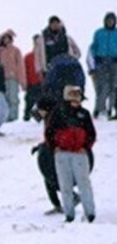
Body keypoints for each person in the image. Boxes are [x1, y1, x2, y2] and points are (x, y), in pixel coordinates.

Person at [45, 85, 97, 223]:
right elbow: (49, 132)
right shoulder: (58, 113)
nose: (76, 97)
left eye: (78, 94)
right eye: (73, 94)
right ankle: (69, 214)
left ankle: (90, 213)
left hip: (80, 154)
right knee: (65, 185)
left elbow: (91, 133)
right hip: (62, 154)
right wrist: (55, 147)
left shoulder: (84, 114)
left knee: (84, 183)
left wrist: (85, 147)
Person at [0, 31, 26, 122]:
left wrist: (22, 80)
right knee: (5, 98)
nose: (6, 40)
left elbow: (20, 66)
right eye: (4, 38)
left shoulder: (16, 50)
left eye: (7, 38)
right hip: (2, 78)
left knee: (13, 97)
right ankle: (7, 116)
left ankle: (14, 115)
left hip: (13, 77)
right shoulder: (0, 50)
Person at [91, 11, 117, 120]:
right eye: (108, 20)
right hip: (101, 62)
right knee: (102, 87)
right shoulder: (99, 33)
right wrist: (95, 59)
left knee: (114, 87)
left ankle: (111, 108)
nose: (110, 22)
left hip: (115, 62)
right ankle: (99, 109)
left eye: (112, 20)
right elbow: (93, 47)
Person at [23, 35, 44, 121]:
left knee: (42, 102)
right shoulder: (28, 57)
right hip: (31, 83)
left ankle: (39, 117)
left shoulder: (44, 57)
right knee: (29, 102)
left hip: (42, 83)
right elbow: (25, 70)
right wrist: (25, 83)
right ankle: (26, 118)